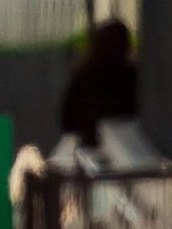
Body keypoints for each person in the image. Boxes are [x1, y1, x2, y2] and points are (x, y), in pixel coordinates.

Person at [59, 18, 138, 148]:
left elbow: (67, 120)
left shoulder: (84, 77)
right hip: (127, 148)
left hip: (90, 147)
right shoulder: (132, 77)